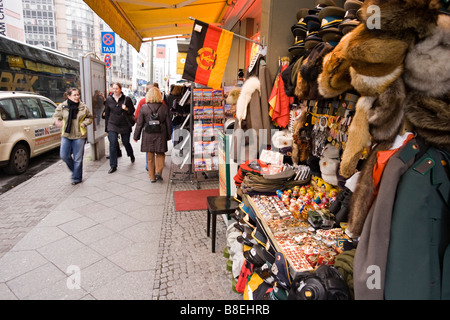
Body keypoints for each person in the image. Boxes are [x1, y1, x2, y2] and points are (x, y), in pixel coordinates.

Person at [53, 88, 93, 185]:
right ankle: (75, 172)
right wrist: (56, 121)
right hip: (66, 135)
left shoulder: (83, 107)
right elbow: (55, 116)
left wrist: (84, 123)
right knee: (64, 156)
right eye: (74, 95)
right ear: (69, 96)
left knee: (78, 158)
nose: (77, 97)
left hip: (79, 136)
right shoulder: (62, 106)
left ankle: (76, 178)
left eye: (78, 95)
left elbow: (90, 117)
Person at [133, 87, 171, 182]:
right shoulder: (164, 107)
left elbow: (139, 124)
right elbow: (168, 123)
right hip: (161, 133)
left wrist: (136, 136)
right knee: (160, 153)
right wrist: (169, 135)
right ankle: (158, 171)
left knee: (150, 156)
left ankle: (152, 177)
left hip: (148, 134)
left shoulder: (144, 107)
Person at [104, 82, 136, 174]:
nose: (115, 90)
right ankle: (113, 165)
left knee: (126, 142)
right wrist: (107, 127)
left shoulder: (127, 99)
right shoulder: (109, 100)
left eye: (116, 89)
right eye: (113, 89)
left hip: (124, 123)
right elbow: (107, 114)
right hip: (112, 124)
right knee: (113, 143)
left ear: (120, 89)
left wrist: (126, 109)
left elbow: (132, 111)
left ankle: (131, 154)